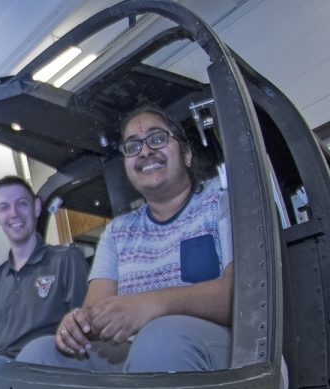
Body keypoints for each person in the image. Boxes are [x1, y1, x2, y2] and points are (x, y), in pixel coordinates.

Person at [16, 103, 233, 372]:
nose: (145, 151)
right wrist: (79, 323)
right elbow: (96, 313)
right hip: (136, 353)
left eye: (157, 138)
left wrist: (150, 306)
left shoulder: (221, 202)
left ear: (187, 154)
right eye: (132, 147)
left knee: (160, 339)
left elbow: (242, 294)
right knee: (40, 354)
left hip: (226, 345)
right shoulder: (118, 232)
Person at [0, 175, 88, 358]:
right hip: (3, 374)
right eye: (4, 207)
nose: (13, 214)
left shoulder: (66, 261)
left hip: (48, 369)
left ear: (36, 207)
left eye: (21, 204)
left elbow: (85, 327)